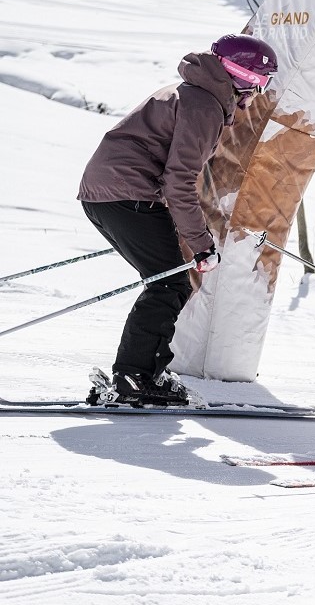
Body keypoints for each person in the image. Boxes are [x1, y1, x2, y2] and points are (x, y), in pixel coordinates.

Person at [78, 33, 279, 406]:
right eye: (255, 82)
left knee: (165, 280)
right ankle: (136, 377)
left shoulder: (189, 92)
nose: (255, 94)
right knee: (169, 285)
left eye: (263, 85)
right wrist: (202, 245)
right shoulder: (203, 105)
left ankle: (142, 371)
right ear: (237, 76)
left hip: (108, 195)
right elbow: (180, 181)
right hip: (127, 195)